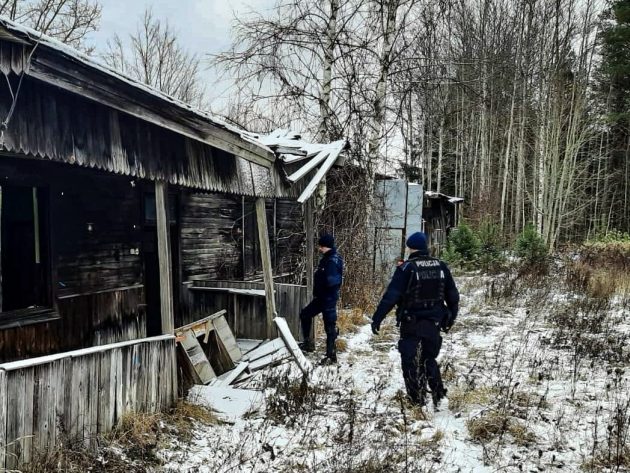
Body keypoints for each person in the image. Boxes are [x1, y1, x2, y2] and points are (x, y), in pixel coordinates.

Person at [371, 232, 459, 408]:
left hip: (412, 323)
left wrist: (377, 318)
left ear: (410, 247)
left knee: (410, 361)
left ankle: (416, 400)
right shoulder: (441, 266)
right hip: (434, 322)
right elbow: (453, 296)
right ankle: (438, 395)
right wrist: (451, 317)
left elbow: (391, 296)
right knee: (428, 359)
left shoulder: (407, 268)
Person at [298, 233, 344, 365]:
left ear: (326, 246)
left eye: (321, 246)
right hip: (321, 298)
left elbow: (333, 281)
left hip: (328, 298)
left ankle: (331, 355)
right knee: (305, 314)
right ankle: (308, 344)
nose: (319, 248)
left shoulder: (332, 260)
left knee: (329, 326)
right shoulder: (327, 258)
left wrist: (324, 283)